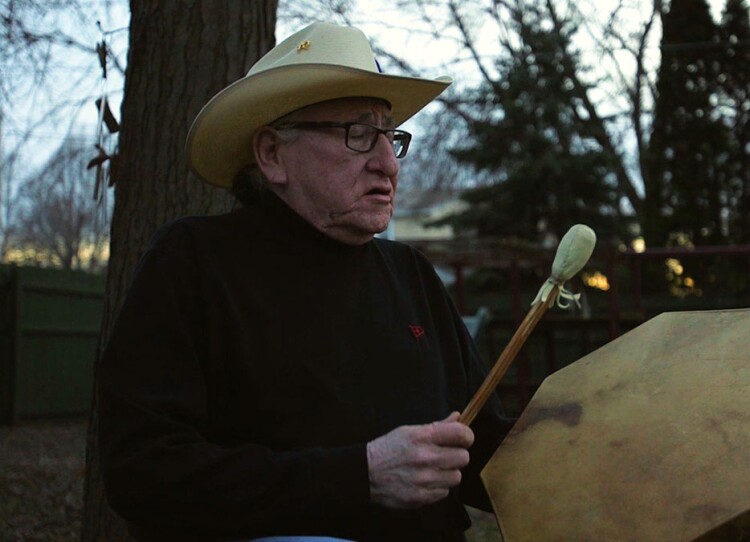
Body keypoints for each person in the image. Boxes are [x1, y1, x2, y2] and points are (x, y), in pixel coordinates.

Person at [97, 21, 513, 542]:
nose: (387, 163)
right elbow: (141, 471)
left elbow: (485, 451)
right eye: (359, 135)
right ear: (272, 154)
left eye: (390, 135)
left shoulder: (411, 275)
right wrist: (357, 476)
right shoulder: (195, 262)